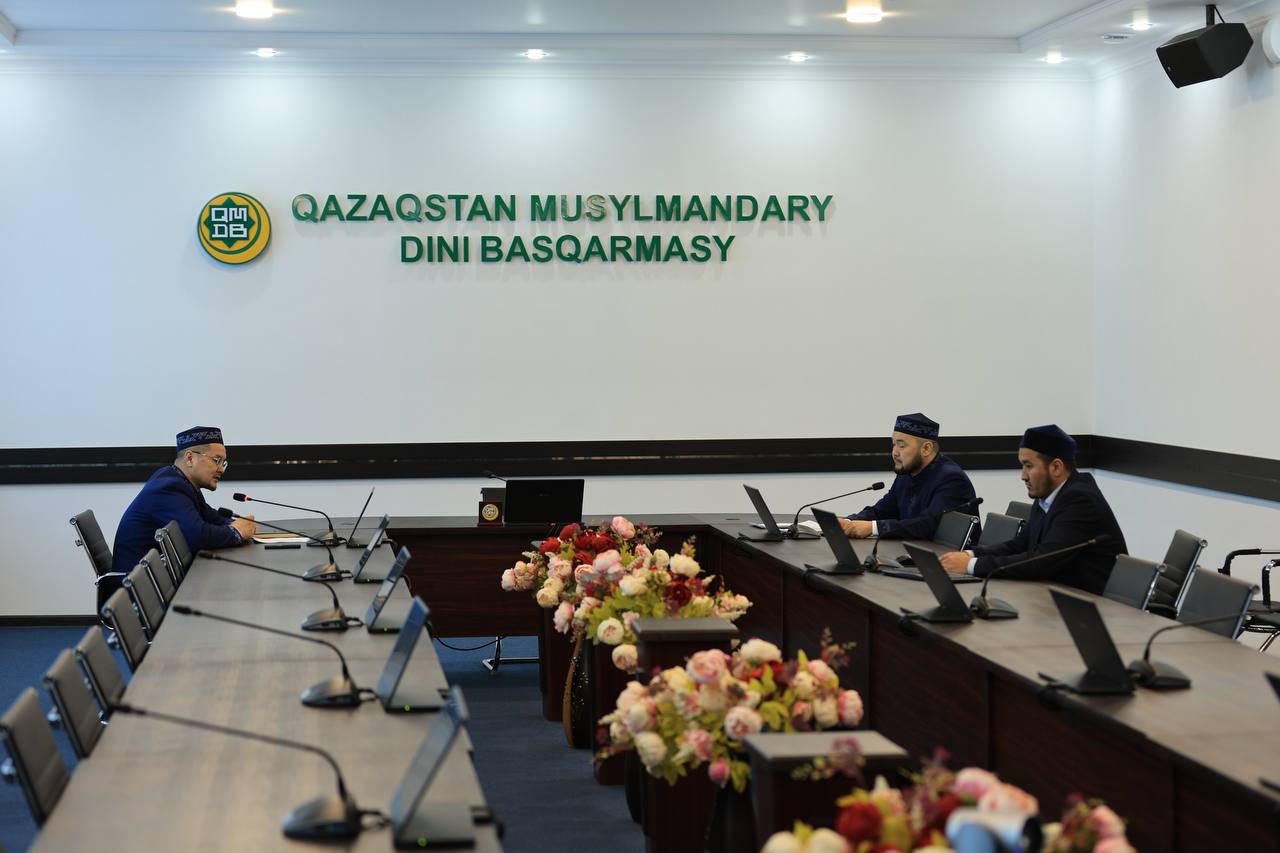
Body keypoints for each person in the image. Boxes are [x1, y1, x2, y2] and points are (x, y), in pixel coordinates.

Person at [937, 425, 1126, 594]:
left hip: (1094, 605)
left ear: (1056, 467)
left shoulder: (1080, 500)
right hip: (1056, 594)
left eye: (1029, 466)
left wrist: (971, 565)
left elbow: (1041, 561)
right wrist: (970, 554)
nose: (1023, 476)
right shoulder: (1049, 494)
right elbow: (1018, 546)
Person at [110, 427, 256, 585]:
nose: (221, 469)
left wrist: (240, 525)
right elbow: (197, 536)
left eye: (223, 463)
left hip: (155, 580)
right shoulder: (168, 487)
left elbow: (211, 518)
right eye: (217, 460)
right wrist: (237, 532)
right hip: (137, 587)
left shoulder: (180, 481)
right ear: (190, 458)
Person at [840, 412, 979, 541]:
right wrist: (848, 522)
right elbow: (883, 511)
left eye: (901, 446)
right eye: (893, 444)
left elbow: (928, 526)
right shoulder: (907, 473)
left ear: (926, 449)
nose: (894, 453)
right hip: (915, 552)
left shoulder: (952, 480)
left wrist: (873, 528)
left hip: (950, 556)